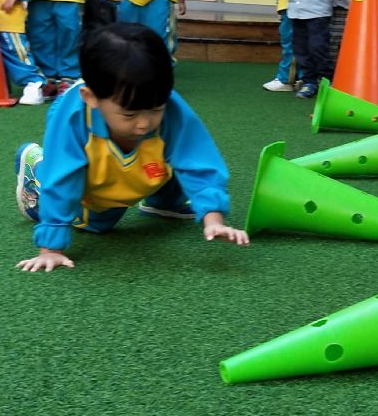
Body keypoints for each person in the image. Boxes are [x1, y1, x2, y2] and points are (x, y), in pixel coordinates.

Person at [14, 21, 248, 273]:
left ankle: (164, 201)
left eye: (156, 109)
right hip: (86, 161)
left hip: (140, 153)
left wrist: (213, 219)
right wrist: (51, 248)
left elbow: (197, 160)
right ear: (91, 98)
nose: (144, 123)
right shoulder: (73, 119)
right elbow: (63, 178)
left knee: (173, 149)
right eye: (130, 114)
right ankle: (37, 169)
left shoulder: (164, 103)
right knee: (97, 223)